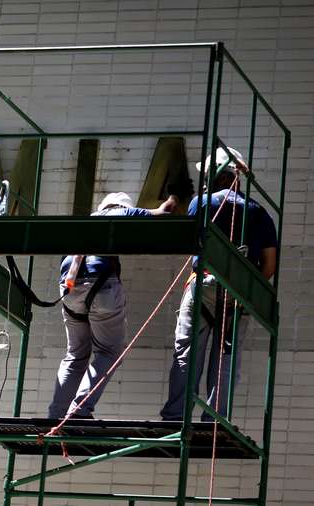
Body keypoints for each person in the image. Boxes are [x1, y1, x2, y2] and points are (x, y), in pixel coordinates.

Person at [160, 146, 278, 421]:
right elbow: (269, 265)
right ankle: (214, 420)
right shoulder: (259, 213)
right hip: (238, 293)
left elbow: (188, 242)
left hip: (202, 286)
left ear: (220, 175)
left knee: (188, 355)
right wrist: (247, 290)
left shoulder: (201, 203)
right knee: (226, 360)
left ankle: (175, 417)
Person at [47, 191, 179, 420]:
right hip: (101, 286)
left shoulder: (85, 221)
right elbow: (163, 212)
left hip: (68, 290)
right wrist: (175, 196)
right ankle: (79, 410)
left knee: (75, 354)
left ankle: (55, 414)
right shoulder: (120, 212)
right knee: (108, 352)